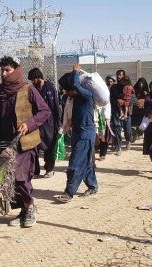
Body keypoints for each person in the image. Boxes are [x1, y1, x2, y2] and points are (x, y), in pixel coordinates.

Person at [0, 56, 50, 228]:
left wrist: (28, 124)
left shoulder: (27, 89)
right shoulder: (0, 90)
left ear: (17, 70)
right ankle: (23, 210)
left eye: (8, 70)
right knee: (10, 180)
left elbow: (44, 111)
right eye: (2, 70)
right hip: (3, 143)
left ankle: (30, 207)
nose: (4, 73)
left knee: (21, 178)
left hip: (23, 143)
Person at [56, 64, 98, 203]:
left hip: (85, 134)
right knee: (86, 162)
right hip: (78, 133)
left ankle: (69, 193)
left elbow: (75, 83)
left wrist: (75, 72)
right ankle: (92, 186)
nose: (66, 93)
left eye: (68, 90)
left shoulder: (86, 95)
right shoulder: (74, 99)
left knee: (75, 163)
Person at [27, 67, 61, 178]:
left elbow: (56, 106)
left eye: (33, 79)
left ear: (38, 78)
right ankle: (35, 171)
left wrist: (58, 123)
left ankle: (49, 169)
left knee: (49, 146)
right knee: (35, 146)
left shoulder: (50, 88)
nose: (32, 82)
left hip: (49, 122)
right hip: (37, 121)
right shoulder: (33, 89)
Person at [110, 69, 132, 155]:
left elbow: (132, 98)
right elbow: (111, 99)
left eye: (121, 75)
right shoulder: (113, 87)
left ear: (124, 76)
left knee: (127, 129)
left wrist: (125, 103)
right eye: (118, 75)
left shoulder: (128, 86)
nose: (119, 76)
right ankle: (118, 146)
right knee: (116, 128)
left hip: (127, 110)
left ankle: (128, 140)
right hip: (116, 110)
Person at [131, 78, 149, 142]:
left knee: (141, 121)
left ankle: (140, 132)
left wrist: (146, 95)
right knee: (135, 121)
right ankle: (135, 132)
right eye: (139, 83)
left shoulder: (146, 91)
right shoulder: (135, 89)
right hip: (135, 108)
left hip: (143, 109)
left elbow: (148, 100)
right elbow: (132, 97)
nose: (141, 85)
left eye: (142, 83)